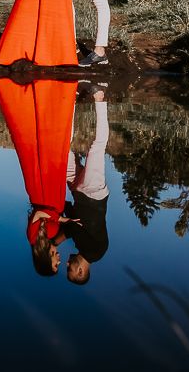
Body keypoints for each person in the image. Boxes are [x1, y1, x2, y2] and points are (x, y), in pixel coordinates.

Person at [0, 76, 79, 276]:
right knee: (59, 149)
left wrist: (60, 219)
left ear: (45, 261)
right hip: (54, 192)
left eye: (56, 264)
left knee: (43, 151)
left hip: (41, 189)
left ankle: (43, 98)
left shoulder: (32, 239)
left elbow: (38, 214)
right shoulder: (51, 238)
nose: (59, 260)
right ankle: (61, 98)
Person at [63, 84, 110, 285]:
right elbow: (76, 227)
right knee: (97, 147)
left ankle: (70, 101)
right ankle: (100, 99)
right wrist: (58, 234)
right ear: (81, 272)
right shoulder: (96, 252)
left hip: (78, 192)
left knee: (63, 148)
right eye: (71, 270)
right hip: (93, 193)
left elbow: (72, 218)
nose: (67, 264)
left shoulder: (82, 246)